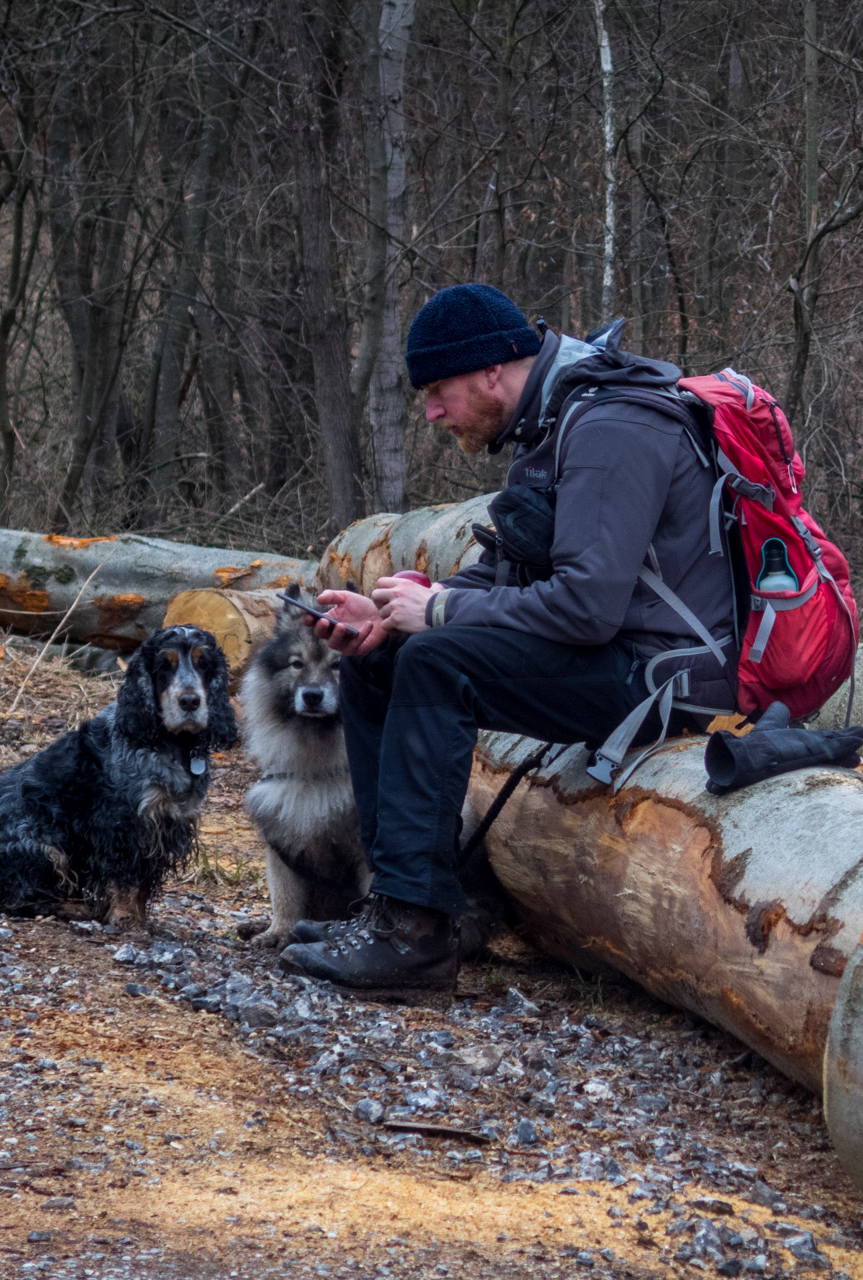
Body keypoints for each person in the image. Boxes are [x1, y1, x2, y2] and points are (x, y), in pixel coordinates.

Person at [279, 284, 737, 997]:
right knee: (384, 660)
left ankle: (416, 937)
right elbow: (508, 569)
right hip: (618, 655)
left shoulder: (612, 427)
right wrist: (388, 616)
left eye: (439, 390)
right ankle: (389, 907)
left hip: (668, 677)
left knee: (433, 660)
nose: (431, 412)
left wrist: (437, 616)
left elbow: (587, 606)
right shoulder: (553, 421)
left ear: (493, 370)